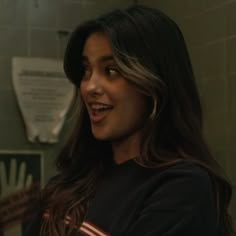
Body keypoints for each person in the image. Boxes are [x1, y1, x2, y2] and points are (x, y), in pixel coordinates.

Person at [24, 4, 234, 236]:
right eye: (86, 70)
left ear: (154, 84)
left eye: (111, 70)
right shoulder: (68, 184)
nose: (90, 86)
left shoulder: (182, 187)